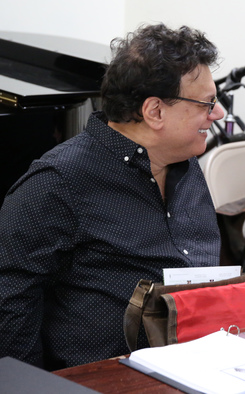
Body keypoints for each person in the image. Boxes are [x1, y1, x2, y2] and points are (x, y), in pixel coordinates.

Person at [0, 24, 224, 370]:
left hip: (202, 365)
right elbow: (9, 300)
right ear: (155, 112)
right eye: (207, 103)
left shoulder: (186, 165)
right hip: (105, 379)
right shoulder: (59, 181)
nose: (218, 113)